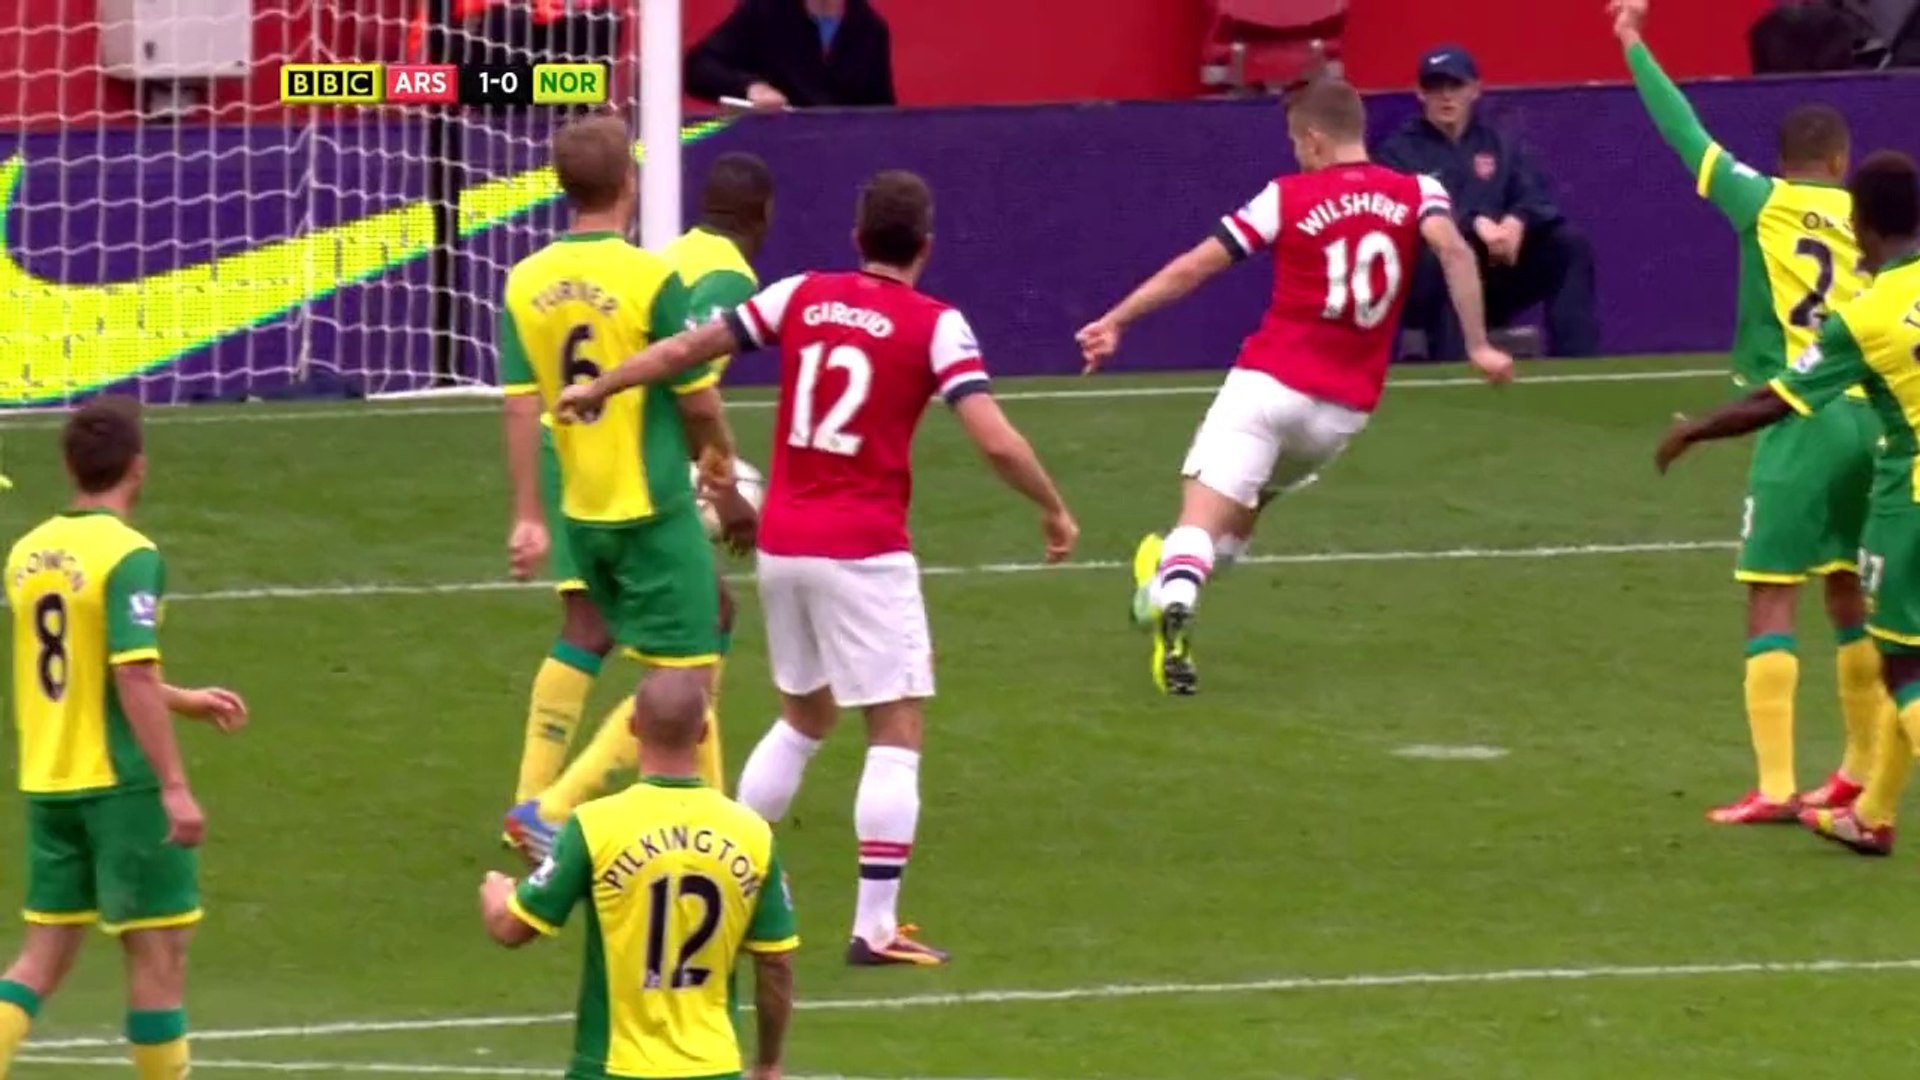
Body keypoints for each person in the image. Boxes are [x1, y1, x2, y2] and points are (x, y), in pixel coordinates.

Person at [555, 169, 1078, 966]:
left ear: (857, 237)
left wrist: (606, 383)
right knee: (895, 729)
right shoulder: (936, 325)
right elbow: (995, 439)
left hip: (785, 542)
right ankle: (875, 927)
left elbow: (689, 348)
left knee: (805, 718)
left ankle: (730, 886)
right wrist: (1052, 506)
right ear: (926, 247)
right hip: (863, 549)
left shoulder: (799, 294)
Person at [1076, 79, 1513, 696]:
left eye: (1295, 142)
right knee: (1242, 516)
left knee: (1199, 517)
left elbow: (1196, 265)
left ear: (1313, 139)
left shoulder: (1286, 197)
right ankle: (1160, 590)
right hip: (1340, 415)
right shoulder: (1420, 191)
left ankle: (1174, 600)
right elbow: (1456, 252)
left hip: (1270, 384)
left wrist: (1118, 319)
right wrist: (1478, 345)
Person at [1615, 0, 1886, 825]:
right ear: (1839, 161)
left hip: (1795, 416)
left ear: (1788, 161)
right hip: (1872, 422)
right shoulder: (1872, 225)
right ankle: (1855, 772)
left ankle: (1773, 786)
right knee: (1850, 592)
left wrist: (1631, 42)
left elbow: (1682, 131)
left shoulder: (1761, 201)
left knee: (1771, 592)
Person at [498, 114, 757, 865]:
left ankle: (698, 809)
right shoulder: (651, 279)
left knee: (637, 626)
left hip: (578, 500)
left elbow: (519, 405)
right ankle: (549, 810)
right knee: (687, 672)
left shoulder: (525, 280)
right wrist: (727, 487)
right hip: (648, 504)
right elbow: (697, 400)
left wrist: (527, 515)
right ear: (630, 185)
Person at [1653, 149, 1920, 857]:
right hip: (1888, 469)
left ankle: (1802, 791)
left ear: (1864, 226)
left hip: (1911, 497)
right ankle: (1871, 813)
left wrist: (1696, 429)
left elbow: (1777, 400)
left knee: (1904, 667)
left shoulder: (1866, 317)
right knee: (1899, 651)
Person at [0, 395, 249, 1079]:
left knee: (42, 956)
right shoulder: (129, 555)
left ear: (68, 466)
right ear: (138, 467)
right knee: (159, 952)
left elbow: (85, 669)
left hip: (49, 780)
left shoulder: (26, 554)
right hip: (120, 783)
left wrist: (183, 700)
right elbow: (132, 673)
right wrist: (174, 787)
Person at [480, 667, 796, 1080]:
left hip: (612, 1068)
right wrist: (768, 1062)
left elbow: (511, 928)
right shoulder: (752, 835)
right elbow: (776, 962)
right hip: (712, 1068)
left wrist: (496, 896)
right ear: (704, 733)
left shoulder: (595, 826)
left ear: (632, 728)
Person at [1375, 46, 1600, 361]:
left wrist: (1516, 221)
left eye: (1455, 85)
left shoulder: (1499, 144)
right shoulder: (1398, 152)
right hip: (1431, 283)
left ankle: (1577, 364)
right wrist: (1473, 223)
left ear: (1475, 89)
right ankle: (1454, 363)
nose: (1446, 96)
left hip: (1495, 270)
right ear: (1420, 93)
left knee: (1568, 245)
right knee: (1445, 254)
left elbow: (1534, 194)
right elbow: (1406, 213)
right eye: (1435, 87)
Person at [686, 0, 896, 111]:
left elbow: (881, 116)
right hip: (770, 149)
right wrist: (751, 87)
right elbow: (699, 67)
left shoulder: (870, 29)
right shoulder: (764, 11)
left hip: (838, 154)